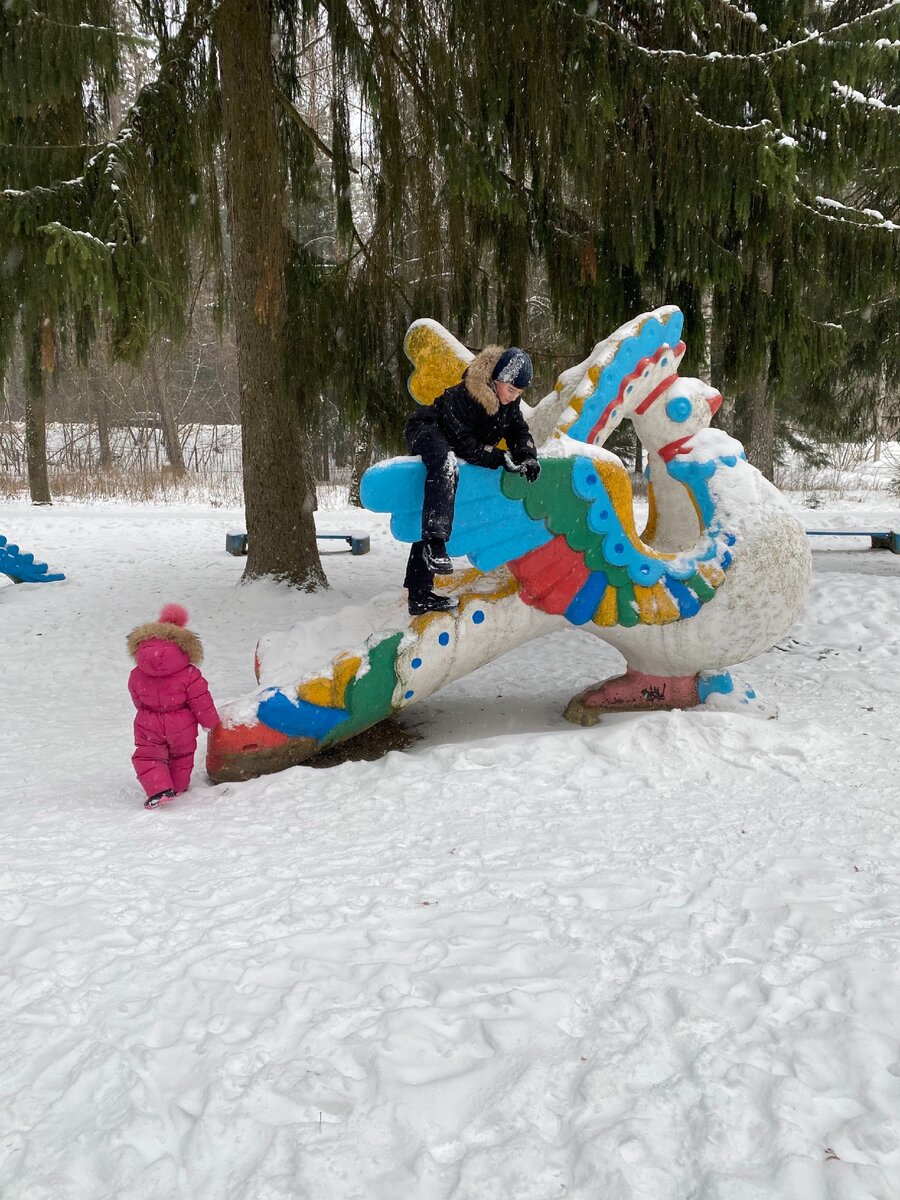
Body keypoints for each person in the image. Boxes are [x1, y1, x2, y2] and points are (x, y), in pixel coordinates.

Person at [403, 344, 541, 615]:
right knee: (445, 464)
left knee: (443, 493)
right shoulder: (466, 395)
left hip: (454, 443)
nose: (514, 398)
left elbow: (518, 431)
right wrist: (500, 458)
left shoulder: (508, 405)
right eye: (511, 390)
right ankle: (435, 543)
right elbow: (464, 445)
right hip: (426, 430)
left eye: (519, 394)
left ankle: (419, 596)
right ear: (496, 379)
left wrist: (527, 455)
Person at [127, 603, 220, 808]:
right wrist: (210, 721)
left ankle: (159, 788)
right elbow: (200, 699)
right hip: (181, 723)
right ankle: (178, 786)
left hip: (148, 721)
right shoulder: (189, 673)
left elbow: (136, 698)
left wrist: (148, 712)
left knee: (148, 756)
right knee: (182, 756)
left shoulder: (137, 673)